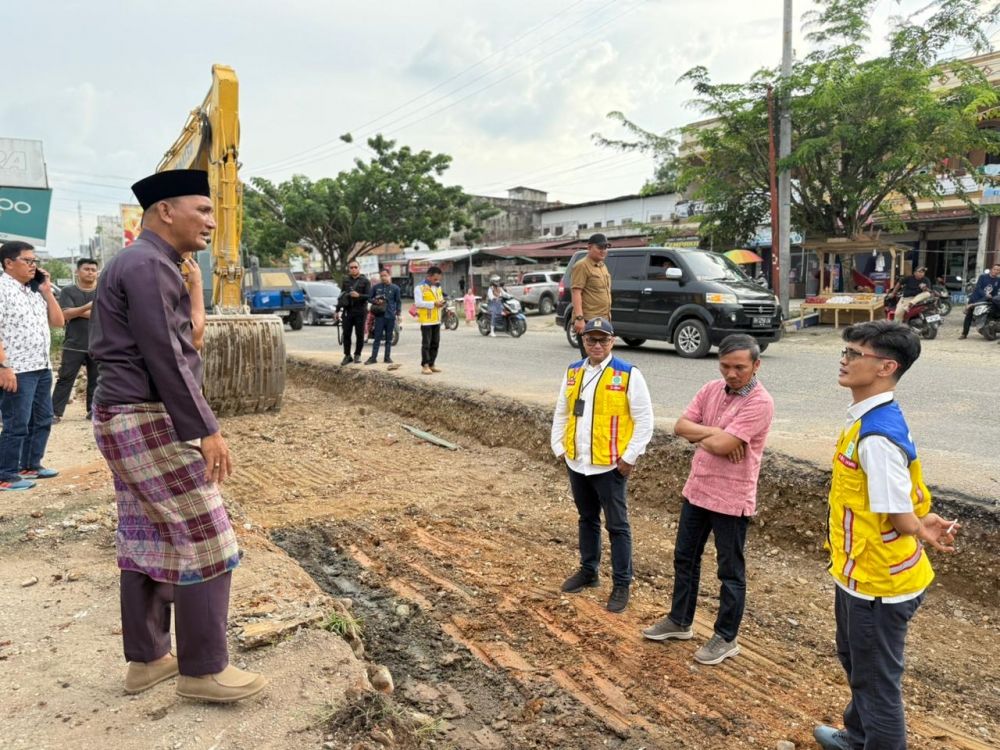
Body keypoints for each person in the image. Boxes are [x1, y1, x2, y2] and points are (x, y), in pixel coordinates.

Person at [90, 169, 267, 703]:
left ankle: (147, 661)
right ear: (166, 211)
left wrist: (192, 286)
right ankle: (203, 671)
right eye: (204, 210)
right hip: (144, 416)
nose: (212, 222)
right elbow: (166, 354)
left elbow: (186, 338)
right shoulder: (148, 264)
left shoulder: (146, 263)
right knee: (209, 537)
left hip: (123, 414)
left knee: (147, 533)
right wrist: (206, 428)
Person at [812, 321, 958, 750]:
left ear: (886, 367)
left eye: (854, 353)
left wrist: (917, 525)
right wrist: (921, 519)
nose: (844, 360)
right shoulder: (870, 419)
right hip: (858, 572)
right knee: (859, 665)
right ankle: (858, 737)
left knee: (876, 682)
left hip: (879, 582)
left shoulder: (876, 435)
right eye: (845, 351)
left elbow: (897, 514)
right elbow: (899, 494)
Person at [640, 334, 774, 665]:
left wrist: (706, 435)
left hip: (731, 498)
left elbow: (722, 445)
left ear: (756, 365)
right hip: (697, 489)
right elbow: (680, 426)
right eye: (725, 366)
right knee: (684, 557)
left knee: (730, 571)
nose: (731, 373)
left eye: (739, 367)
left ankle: (726, 637)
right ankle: (679, 620)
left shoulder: (760, 402)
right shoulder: (710, 389)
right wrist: (717, 434)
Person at [551, 317, 654, 613]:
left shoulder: (628, 374)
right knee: (587, 519)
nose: (597, 345)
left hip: (609, 465)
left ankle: (621, 583)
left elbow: (645, 420)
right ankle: (589, 571)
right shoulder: (573, 372)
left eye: (602, 340)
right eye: (591, 339)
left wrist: (629, 457)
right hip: (578, 462)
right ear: (583, 341)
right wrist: (559, 446)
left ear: (613, 341)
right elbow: (562, 411)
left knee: (618, 526)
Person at [0, 241, 65, 491]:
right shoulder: (2, 289)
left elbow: (58, 322)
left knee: (42, 419)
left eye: (35, 261)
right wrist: (3, 366)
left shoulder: (34, 291)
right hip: (17, 369)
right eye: (28, 261)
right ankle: (5, 474)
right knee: (16, 423)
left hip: (41, 365)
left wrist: (47, 291)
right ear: (8, 263)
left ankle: (29, 465)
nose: (33, 266)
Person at [52, 258, 100, 423]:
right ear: (77, 272)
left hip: (98, 343)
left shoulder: (102, 290)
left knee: (96, 380)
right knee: (65, 378)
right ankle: (55, 412)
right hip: (74, 344)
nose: (90, 272)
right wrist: (89, 307)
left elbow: (106, 314)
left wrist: (76, 312)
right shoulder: (68, 291)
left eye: (93, 270)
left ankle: (93, 411)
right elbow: (65, 314)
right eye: (86, 269)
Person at [570, 233, 612, 357]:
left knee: (602, 358)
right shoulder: (582, 266)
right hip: (589, 321)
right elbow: (576, 292)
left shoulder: (602, 266)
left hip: (603, 320)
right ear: (589, 247)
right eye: (600, 247)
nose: (603, 250)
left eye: (605, 247)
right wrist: (579, 319)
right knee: (590, 358)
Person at [336, 260, 371, 365]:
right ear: (349, 269)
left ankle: (357, 355)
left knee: (359, 334)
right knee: (346, 334)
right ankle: (347, 355)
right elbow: (341, 296)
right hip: (348, 311)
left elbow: (369, 296)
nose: (353, 269)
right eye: (351, 267)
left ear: (359, 268)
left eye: (355, 267)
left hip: (360, 311)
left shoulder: (365, 281)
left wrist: (359, 295)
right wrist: (337, 310)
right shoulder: (346, 280)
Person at [414, 265, 446, 375]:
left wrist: (442, 303)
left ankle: (432, 364)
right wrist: (433, 304)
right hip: (426, 320)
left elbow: (440, 299)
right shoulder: (419, 287)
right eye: (435, 279)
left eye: (439, 279)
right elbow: (418, 303)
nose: (437, 281)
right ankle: (425, 365)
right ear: (428, 276)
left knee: (435, 343)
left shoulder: (438, 287)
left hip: (436, 319)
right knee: (426, 344)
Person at [365, 267, 401, 365]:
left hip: (390, 316)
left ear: (389, 276)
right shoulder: (376, 287)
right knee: (377, 338)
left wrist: (399, 314)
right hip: (379, 316)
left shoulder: (395, 288)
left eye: (385, 275)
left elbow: (398, 302)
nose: (383, 277)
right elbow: (369, 298)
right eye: (381, 276)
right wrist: (376, 301)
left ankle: (387, 358)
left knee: (389, 339)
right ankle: (373, 358)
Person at [959, 263, 1000, 339]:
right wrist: (985, 294)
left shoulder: (998, 280)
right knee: (969, 316)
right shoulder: (983, 277)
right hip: (976, 298)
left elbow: (995, 292)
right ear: (991, 269)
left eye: (998, 270)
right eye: (995, 269)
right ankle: (964, 334)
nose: (996, 271)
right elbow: (978, 288)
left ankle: (991, 326)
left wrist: (993, 297)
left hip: (987, 299)